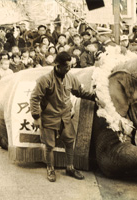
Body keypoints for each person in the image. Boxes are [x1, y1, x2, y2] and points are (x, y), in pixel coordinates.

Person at [30, 51, 97, 182]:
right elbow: (34, 98)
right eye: (66, 66)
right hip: (49, 117)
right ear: (57, 65)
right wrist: (36, 117)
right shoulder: (45, 80)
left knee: (69, 141)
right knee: (49, 145)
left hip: (65, 116)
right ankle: (50, 168)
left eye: (70, 66)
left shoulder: (70, 77)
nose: (69, 68)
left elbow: (79, 92)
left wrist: (94, 96)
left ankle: (70, 167)